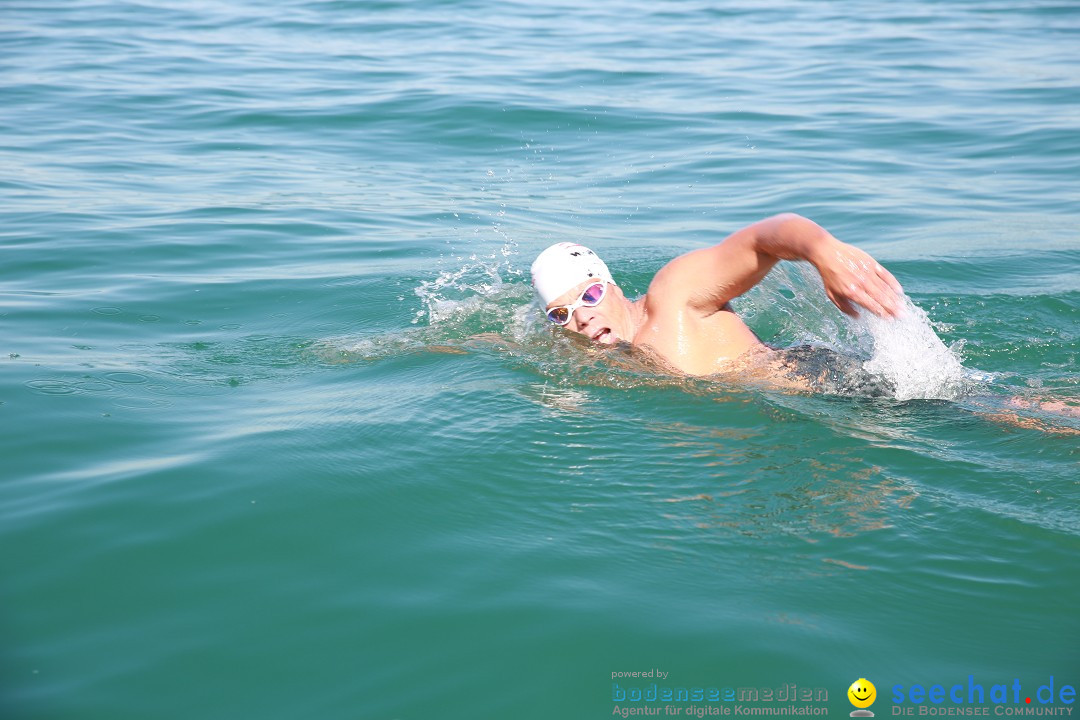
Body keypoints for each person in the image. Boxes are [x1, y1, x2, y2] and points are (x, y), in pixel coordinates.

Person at [530, 213, 904, 378]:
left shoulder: (673, 295)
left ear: (614, 288)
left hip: (840, 385)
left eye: (591, 295)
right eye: (562, 314)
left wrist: (823, 251)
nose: (583, 317)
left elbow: (763, 238)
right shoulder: (601, 353)